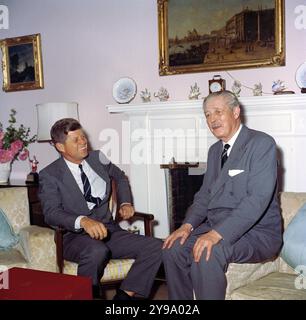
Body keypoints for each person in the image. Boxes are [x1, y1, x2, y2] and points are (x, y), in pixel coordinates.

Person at [162, 90, 282, 300]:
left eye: (218, 111)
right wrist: (186, 226)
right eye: (207, 114)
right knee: (173, 248)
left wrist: (216, 234)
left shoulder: (261, 144)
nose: (212, 119)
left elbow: (257, 200)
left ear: (236, 112)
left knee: (208, 252)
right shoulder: (214, 151)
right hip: (216, 226)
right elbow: (205, 195)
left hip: (257, 233)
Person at [38, 118, 162, 300]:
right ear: (60, 147)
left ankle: (124, 297)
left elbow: (120, 177)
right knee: (97, 251)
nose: (83, 142)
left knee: (157, 246)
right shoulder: (49, 175)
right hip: (73, 237)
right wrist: (83, 221)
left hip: (109, 230)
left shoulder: (98, 158)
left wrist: (125, 202)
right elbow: (51, 213)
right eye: (76, 140)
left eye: (83, 136)